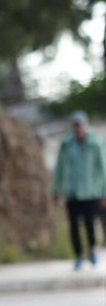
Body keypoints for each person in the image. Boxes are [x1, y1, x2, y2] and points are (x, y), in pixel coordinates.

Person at [52, 110, 106, 270]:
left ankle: (92, 250)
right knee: (73, 226)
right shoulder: (66, 145)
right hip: (72, 192)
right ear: (72, 127)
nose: (78, 128)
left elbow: (102, 169)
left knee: (90, 224)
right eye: (75, 125)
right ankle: (78, 256)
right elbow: (59, 169)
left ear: (85, 125)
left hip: (90, 193)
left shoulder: (95, 143)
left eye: (80, 125)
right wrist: (56, 190)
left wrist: (104, 192)